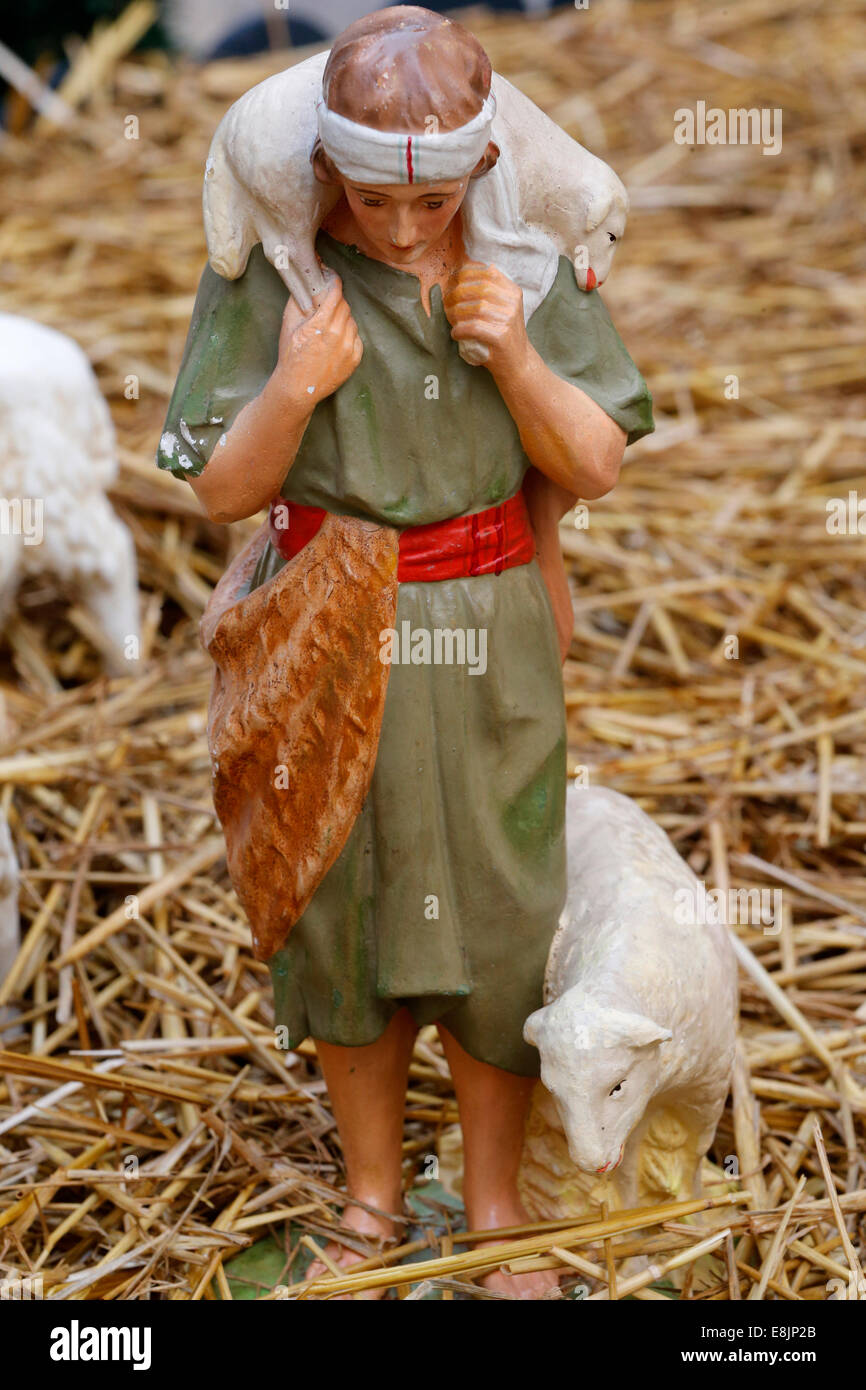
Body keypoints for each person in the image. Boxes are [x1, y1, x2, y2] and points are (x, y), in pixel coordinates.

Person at [158, 6, 653, 1298]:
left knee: (499, 903)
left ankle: (493, 1204)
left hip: (483, 624)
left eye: (427, 201)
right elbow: (216, 490)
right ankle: (372, 1196)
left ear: (481, 173)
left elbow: (592, 460)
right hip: (323, 622)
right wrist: (292, 387)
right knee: (342, 904)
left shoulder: (530, 271)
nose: (396, 225)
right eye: (371, 196)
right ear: (325, 172)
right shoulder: (272, 281)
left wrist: (517, 358)